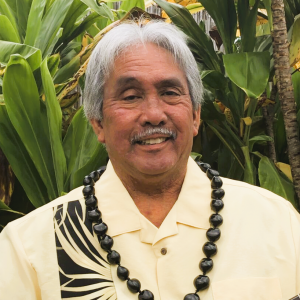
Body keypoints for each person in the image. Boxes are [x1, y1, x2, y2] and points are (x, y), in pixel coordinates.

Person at [0, 19, 300, 300]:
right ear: (97, 122)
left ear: (195, 115)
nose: (154, 114)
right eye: (130, 96)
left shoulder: (277, 224)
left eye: (170, 93)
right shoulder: (30, 248)